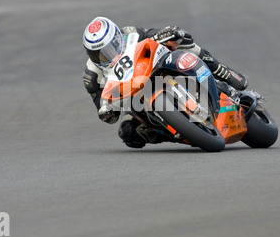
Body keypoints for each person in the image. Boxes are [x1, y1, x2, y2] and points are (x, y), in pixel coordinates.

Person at [82, 16, 248, 148]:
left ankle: (223, 72)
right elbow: (104, 109)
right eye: (97, 54)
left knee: (182, 40)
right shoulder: (91, 77)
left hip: (155, 67)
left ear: (117, 37)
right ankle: (183, 134)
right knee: (128, 134)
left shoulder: (131, 34)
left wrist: (167, 34)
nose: (104, 56)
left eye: (108, 49)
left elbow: (156, 34)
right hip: (134, 97)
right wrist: (108, 112)